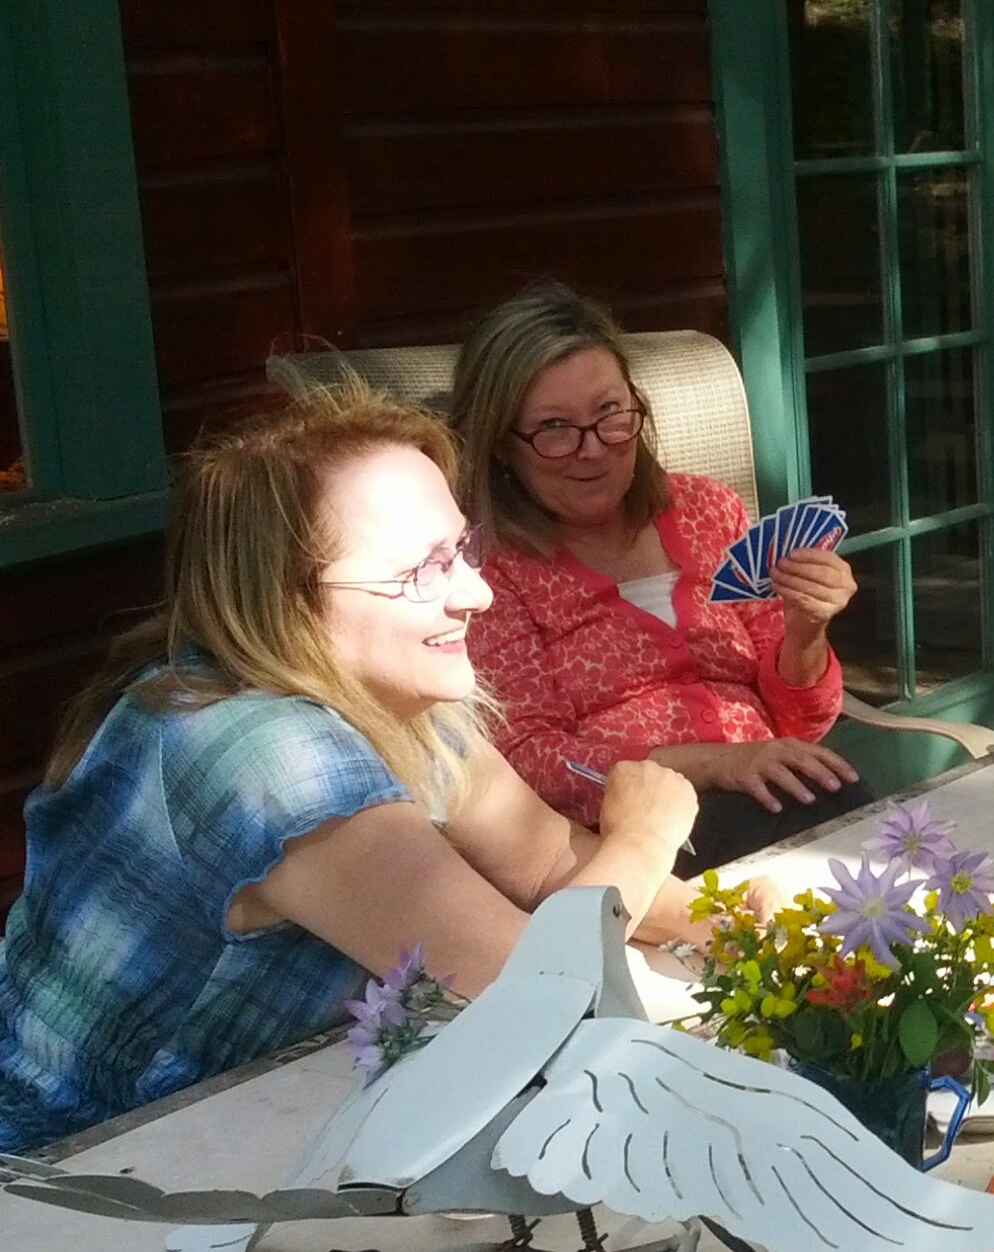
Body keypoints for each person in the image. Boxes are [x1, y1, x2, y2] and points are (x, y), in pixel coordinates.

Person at [0, 392, 704, 1154]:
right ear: (288, 602)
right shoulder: (268, 756)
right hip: (66, 1189)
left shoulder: (382, 690)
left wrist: (757, 928)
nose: (478, 593)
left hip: (239, 1129)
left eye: (463, 551)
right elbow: (539, 994)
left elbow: (544, 864)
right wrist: (644, 835)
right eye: (421, 572)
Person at [448, 282, 863, 869]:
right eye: (553, 428)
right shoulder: (489, 569)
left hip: (778, 793)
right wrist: (716, 763)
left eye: (610, 415)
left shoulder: (707, 510)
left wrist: (806, 631)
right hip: (633, 842)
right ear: (499, 444)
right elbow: (531, 763)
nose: (592, 449)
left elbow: (803, 722)